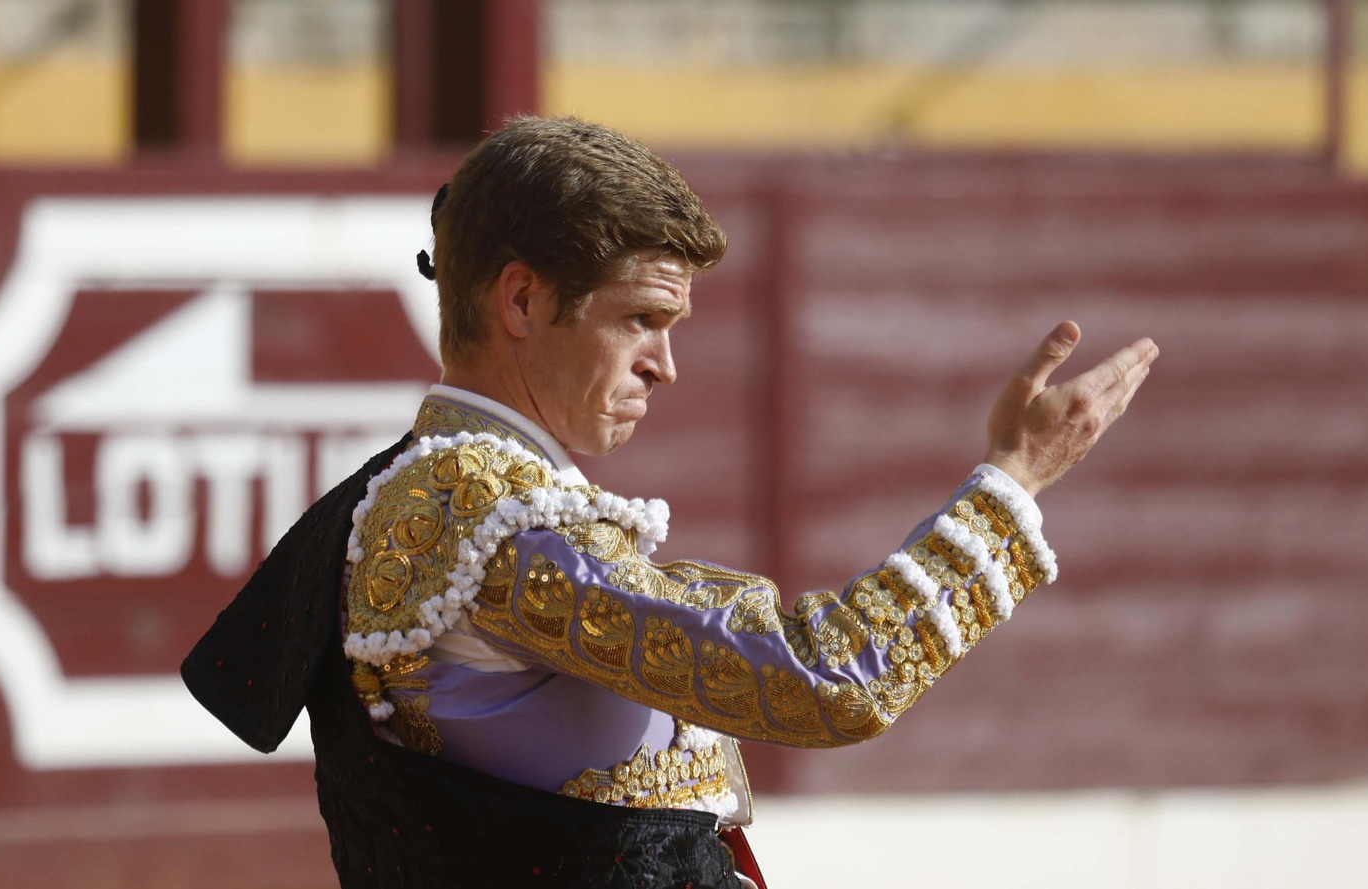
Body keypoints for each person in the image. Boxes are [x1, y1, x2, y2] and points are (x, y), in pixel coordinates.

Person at [182, 116, 1158, 889]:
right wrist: (1009, 485)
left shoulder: (416, 496)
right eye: (639, 319)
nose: (666, 363)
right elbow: (824, 677)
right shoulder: (496, 525)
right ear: (519, 302)